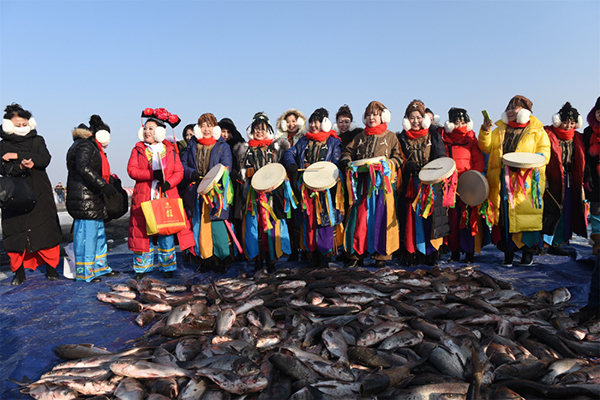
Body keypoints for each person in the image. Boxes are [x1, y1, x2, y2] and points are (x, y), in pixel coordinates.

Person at [478, 95, 550, 267]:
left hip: (525, 182)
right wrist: (485, 131)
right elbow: (486, 147)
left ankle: (528, 253)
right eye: (509, 108)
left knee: (527, 218)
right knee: (504, 217)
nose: (510, 111)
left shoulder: (537, 131)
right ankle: (508, 254)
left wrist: (525, 165)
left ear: (525, 111)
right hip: (503, 180)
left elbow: (544, 155)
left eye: (514, 108)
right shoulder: (499, 129)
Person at [127, 108, 195, 279]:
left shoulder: (171, 150)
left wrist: (169, 183)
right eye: (145, 128)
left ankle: (167, 266)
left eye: (151, 128)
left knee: (167, 231)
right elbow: (132, 170)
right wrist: (152, 175)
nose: (147, 131)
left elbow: (179, 171)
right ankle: (142, 269)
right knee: (143, 232)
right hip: (145, 195)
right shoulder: (138, 149)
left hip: (166, 194)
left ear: (159, 131)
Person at [0, 103, 62, 285]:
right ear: (8, 125)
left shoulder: (38, 140)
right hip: (14, 194)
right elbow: (2, 167)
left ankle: (51, 268)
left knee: (45, 230)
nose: (22, 127)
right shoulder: (2, 145)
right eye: (17, 124)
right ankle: (18, 272)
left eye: (24, 123)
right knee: (15, 233)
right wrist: (19, 166)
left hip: (39, 190)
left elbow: (44, 159)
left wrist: (16, 155)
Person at [339, 101, 403, 268]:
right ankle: (355, 255)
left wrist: (388, 165)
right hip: (362, 184)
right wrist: (347, 160)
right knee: (359, 218)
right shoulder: (359, 137)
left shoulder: (391, 137)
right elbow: (347, 152)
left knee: (381, 218)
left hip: (382, 185)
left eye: (375, 114)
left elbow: (398, 158)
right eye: (368, 114)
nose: (371, 117)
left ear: (383, 116)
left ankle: (381, 256)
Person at [284, 108, 343, 268]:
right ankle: (312, 254)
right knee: (309, 221)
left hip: (325, 189)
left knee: (324, 221)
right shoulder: (303, 141)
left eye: (317, 121)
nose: (314, 125)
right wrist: (291, 164)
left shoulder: (333, 141)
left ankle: (325, 255)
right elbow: (289, 153)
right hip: (307, 188)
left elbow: (337, 161)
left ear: (324, 123)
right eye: (311, 121)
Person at [233, 113, 291, 271]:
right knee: (255, 229)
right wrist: (245, 174)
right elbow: (240, 171)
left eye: (262, 129)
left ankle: (271, 261)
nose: (259, 132)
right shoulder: (244, 150)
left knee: (270, 228)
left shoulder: (275, 149)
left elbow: (281, 169)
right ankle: (257, 261)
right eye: (257, 129)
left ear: (268, 130)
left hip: (271, 196)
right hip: (252, 196)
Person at [66, 115, 121, 282]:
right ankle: (86, 272)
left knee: (97, 235)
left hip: (92, 198)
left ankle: (100, 267)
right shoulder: (85, 145)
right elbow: (83, 167)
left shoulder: (89, 146)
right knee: (87, 237)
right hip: (85, 199)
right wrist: (103, 184)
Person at [181, 112, 235, 271]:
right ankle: (205, 260)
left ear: (215, 127)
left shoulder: (222, 146)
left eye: (209, 125)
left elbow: (226, 167)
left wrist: (213, 179)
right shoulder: (192, 145)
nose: (206, 129)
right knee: (199, 226)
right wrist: (192, 174)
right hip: (196, 191)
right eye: (203, 125)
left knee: (218, 227)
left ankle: (221, 260)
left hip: (216, 192)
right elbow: (183, 165)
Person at [397, 100, 447, 266]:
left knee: (430, 218)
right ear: (407, 119)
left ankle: (432, 252)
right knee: (413, 219)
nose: (415, 121)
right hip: (412, 185)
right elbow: (398, 159)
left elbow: (441, 159)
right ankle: (415, 251)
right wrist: (406, 166)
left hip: (431, 184)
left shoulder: (434, 136)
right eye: (412, 117)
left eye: (418, 117)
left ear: (424, 118)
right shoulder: (401, 138)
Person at [440, 108, 485, 263]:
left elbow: (478, 159)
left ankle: (469, 251)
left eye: (462, 122)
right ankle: (454, 251)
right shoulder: (443, 139)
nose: (459, 125)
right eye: (456, 122)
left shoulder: (472, 139)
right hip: (450, 186)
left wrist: (474, 178)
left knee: (467, 219)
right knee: (452, 219)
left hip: (468, 185)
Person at [542, 102, 587, 255]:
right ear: (558, 121)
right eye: (565, 121)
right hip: (551, 178)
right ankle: (544, 242)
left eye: (572, 122)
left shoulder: (579, 138)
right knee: (550, 210)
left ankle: (558, 242)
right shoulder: (547, 134)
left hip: (569, 178)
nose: (568, 125)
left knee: (566, 210)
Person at [275, 109, 307, 261]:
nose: (291, 124)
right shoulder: (277, 141)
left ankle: (304, 246)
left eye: (294, 121)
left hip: (300, 179)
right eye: (288, 121)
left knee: (302, 214)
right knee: (289, 216)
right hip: (285, 181)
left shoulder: (304, 138)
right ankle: (293, 248)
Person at [583, 96, 600, 256]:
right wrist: (587, 178)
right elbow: (586, 159)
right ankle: (596, 247)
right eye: (598, 112)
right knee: (595, 214)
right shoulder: (588, 132)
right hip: (595, 179)